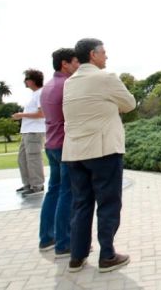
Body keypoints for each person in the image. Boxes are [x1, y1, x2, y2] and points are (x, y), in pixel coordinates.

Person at [62, 38, 135, 273]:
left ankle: (77, 256)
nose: (107, 56)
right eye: (104, 52)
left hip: (74, 151)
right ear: (93, 55)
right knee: (108, 203)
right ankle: (107, 255)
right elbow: (130, 104)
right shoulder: (106, 78)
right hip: (103, 150)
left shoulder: (70, 82)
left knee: (81, 204)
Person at [38, 48, 79, 256]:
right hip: (64, 146)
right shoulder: (67, 85)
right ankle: (64, 242)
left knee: (53, 191)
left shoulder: (47, 86)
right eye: (75, 62)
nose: (78, 65)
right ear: (65, 64)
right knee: (67, 192)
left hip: (51, 144)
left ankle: (47, 237)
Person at [13, 69, 45, 196]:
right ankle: (27, 184)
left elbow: (42, 113)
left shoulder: (40, 94)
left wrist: (21, 115)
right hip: (27, 131)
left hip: (35, 131)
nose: (24, 82)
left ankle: (37, 185)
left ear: (31, 81)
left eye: (26, 79)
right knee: (22, 159)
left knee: (33, 159)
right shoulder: (34, 94)